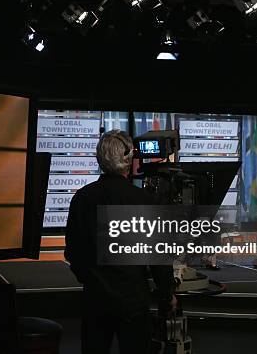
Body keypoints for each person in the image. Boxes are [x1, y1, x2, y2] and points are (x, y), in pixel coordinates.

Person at [65, 130, 177, 354]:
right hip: (133, 302)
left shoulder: (82, 198)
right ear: (128, 160)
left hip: (95, 300)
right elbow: (158, 258)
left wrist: (90, 278)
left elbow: (73, 252)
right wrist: (167, 295)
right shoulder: (144, 201)